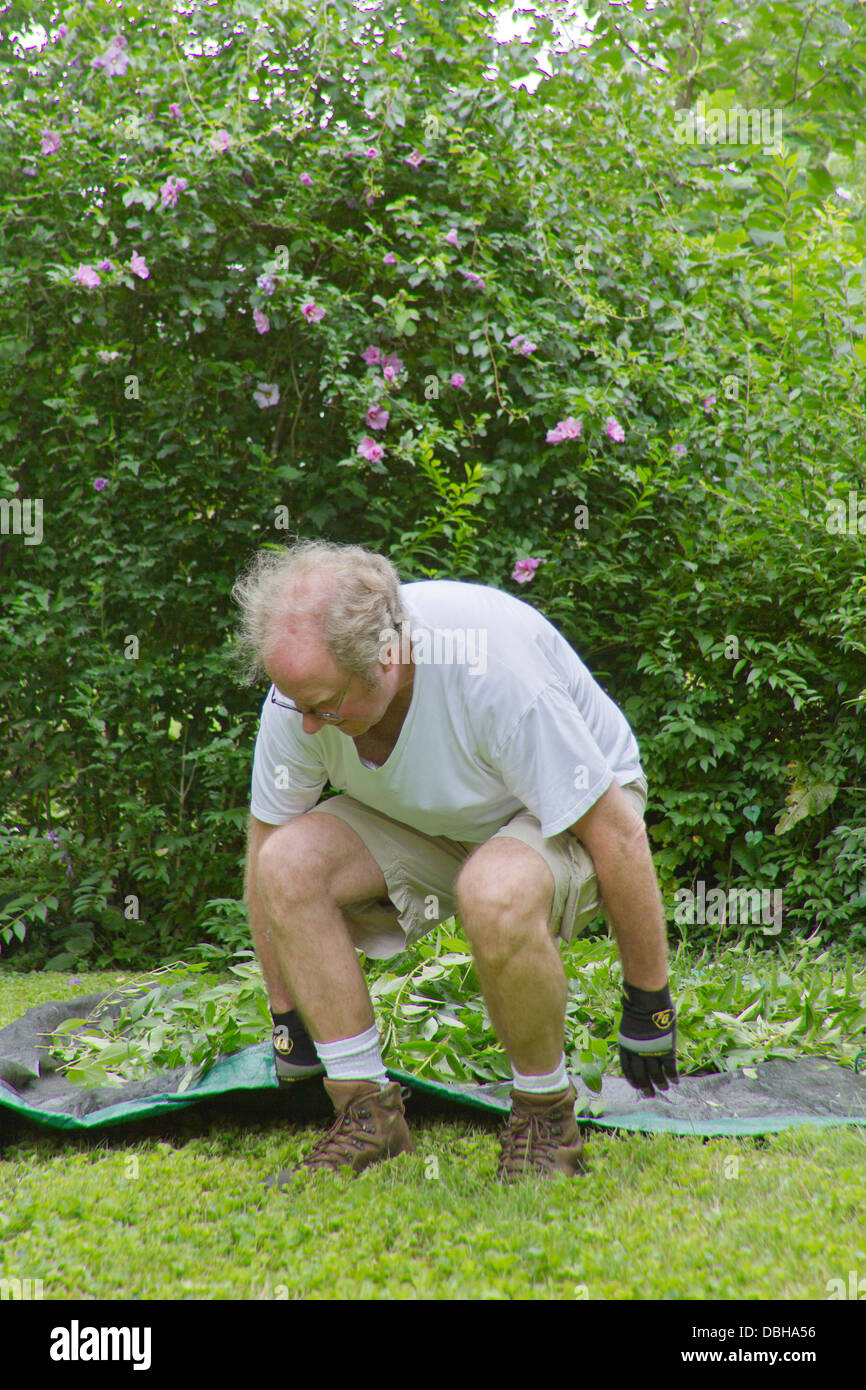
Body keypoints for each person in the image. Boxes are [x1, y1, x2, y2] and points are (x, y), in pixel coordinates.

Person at [232, 540, 678, 1184]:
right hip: (430, 818)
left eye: (323, 706)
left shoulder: (495, 673)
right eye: (295, 702)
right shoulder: (302, 698)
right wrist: (286, 1018)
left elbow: (618, 832)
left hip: (563, 808)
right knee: (287, 862)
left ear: (387, 658)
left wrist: (649, 1003)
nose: (306, 725)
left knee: (492, 890)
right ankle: (365, 1114)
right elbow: (263, 845)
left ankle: (543, 1113)